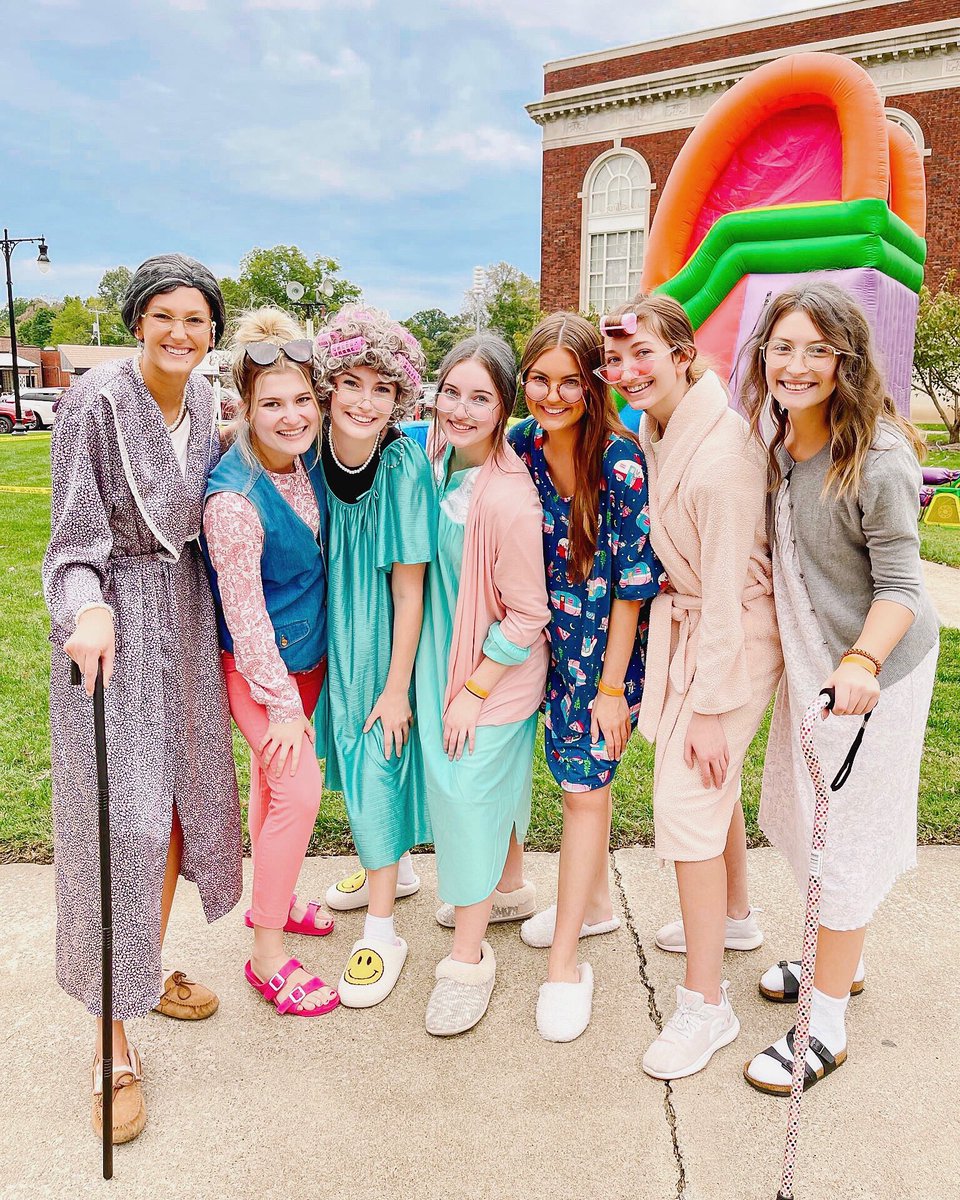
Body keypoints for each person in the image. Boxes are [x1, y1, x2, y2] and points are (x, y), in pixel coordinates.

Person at [42, 254, 242, 1144]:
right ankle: (110, 1039)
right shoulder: (93, 403)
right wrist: (85, 608)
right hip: (114, 623)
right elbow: (71, 538)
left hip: (188, 612)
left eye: (197, 320)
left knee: (172, 810)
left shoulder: (207, 404)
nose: (180, 333)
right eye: (164, 316)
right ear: (137, 325)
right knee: (118, 821)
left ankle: (147, 966)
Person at [737, 281, 939, 1093]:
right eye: (782, 346)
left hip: (872, 674)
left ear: (847, 360)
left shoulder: (879, 458)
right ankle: (832, 961)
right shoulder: (776, 439)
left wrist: (860, 666)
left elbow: (902, 588)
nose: (797, 364)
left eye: (819, 349)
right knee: (807, 820)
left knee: (845, 840)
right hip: (816, 666)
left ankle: (825, 1025)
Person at [600, 295, 782, 1081]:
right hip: (698, 620)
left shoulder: (725, 454)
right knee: (711, 785)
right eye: (616, 359)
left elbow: (732, 595)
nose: (628, 371)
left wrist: (709, 707)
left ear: (683, 352)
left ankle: (705, 1005)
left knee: (686, 792)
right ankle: (735, 919)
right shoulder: (660, 427)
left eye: (645, 353)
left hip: (734, 631)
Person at [510, 312, 665, 1042]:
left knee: (581, 796)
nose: (554, 393)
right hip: (543, 651)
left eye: (571, 379)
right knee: (574, 789)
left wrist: (610, 690)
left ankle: (567, 965)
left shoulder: (621, 464)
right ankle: (596, 905)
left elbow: (634, 585)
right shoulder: (522, 447)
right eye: (540, 378)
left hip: (603, 662)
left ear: (595, 381)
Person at [202, 308, 339, 1019]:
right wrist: (282, 707)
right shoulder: (233, 500)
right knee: (298, 793)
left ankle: (278, 899)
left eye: (300, 400)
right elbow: (246, 616)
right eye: (272, 404)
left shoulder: (308, 462)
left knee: (271, 788)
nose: (291, 416)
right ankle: (267, 955)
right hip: (260, 675)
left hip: (309, 662)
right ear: (245, 409)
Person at [416, 334, 550, 1036]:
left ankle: (468, 960)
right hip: (446, 655)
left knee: (467, 796)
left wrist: (473, 689)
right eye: (452, 393)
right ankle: (506, 890)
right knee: (487, 789)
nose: (461, 409)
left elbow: (529, 612)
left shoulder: (509, 499)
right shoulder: (438, 461)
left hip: (491, 674)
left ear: (503, 409)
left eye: (481, 398)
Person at [313, 306, 436, 1008]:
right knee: (345, 754)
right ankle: (385, 864)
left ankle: (385, 929)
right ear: (328, 384)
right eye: (351, 384)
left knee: (375, 750)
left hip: (380, 633)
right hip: (325, 624)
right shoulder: (311, 447)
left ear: (400, 398)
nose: (364, 402)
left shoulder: (402, 464)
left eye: (381, 390)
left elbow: (410, 590)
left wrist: (396, 688)